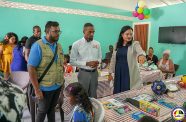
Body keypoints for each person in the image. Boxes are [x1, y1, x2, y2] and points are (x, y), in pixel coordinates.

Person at [28, 21, 64, 122]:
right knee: (42, 111)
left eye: (59, 31)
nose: (58, 33)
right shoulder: (38, 46)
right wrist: (37, 89)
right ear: (47, 32)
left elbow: (60, 64)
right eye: (55, 31)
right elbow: (31, 68)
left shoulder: (59, 46)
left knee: (51, 109)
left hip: (57, 86)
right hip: (44, 88)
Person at [108, 25, 145, 94]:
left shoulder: (135, 44)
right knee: (118, 90)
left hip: (128, 72)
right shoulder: (116, 45)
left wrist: (141, 55)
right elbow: (113, 59)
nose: (129, 36)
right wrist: (110, 73)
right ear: (122, 34)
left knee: (127, 91)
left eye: (131, 34)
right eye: (127, 34)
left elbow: (140, 51)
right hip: (118, 71)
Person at [70, 23, 102, 98]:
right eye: (89, 32)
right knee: (83, 96)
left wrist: (98, 62)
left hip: (94, 73)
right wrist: (86, 63)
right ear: (84, 31)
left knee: (93, 95)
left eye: (93, 32)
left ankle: (92, 109)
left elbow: (100, 57)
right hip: (83, 73)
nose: (92, 34)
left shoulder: (97, 44)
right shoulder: (76, 44)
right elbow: (72, 61)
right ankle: (83, 109)